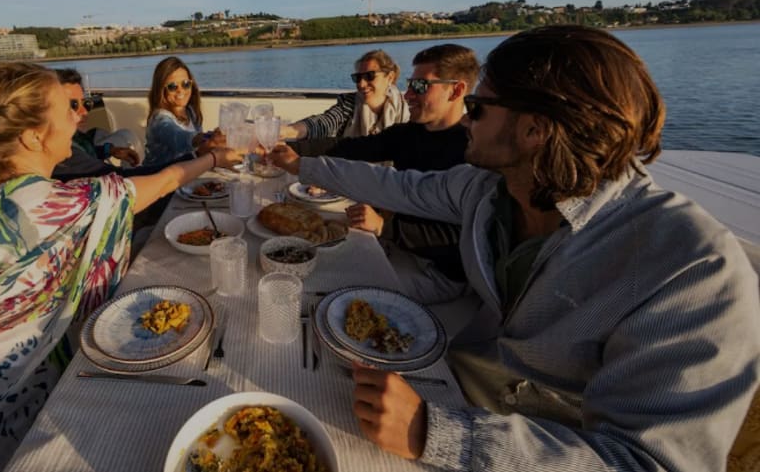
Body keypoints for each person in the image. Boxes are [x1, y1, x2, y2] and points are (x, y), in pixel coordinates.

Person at [269, 25, 760, 471]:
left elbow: (645, 462)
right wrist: (300, 166)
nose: (467, 121)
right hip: (471, 380)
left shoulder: (693, 267)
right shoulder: (491, 188)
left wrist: (435, 433)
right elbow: (402, 186)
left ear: (535, 129)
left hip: (548, 439)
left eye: (479, 109)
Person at [0, 62, 240, 472]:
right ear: (34, 135)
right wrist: (214, 157)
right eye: (66, 109)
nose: (79, 115)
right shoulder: (42, 205)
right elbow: (157, 184)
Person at [327, 44, 478, 281]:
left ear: (456, 90)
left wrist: (384, 226)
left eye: (420, 86)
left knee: (334, 278)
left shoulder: (474, 152)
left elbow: (463, 241)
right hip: (397, 244)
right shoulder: (409, 134)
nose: (407, 95)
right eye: (409, 85)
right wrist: (288, 150)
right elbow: (349, 148)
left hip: (436, 271)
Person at [280, 49, 408, 143]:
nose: (362, 84)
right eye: (357, 78)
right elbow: (325, 122)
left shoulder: (407, 110)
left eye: (370, 76)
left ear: (390, 77)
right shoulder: (350, 103)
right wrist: (287, 131)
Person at [52, 68, 157, 179]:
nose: (84, 111)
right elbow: (120, 180)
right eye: (73, 105)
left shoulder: (75, 139)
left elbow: (88, 151)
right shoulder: (67, 156)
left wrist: (110, 150)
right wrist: (172, 172)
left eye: (85, 103)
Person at [143, 56, 224, 167]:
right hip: (161, 179)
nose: (181, 90)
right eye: (172, 86)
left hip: (186, 173)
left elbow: (198, 150)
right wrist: (208, 138)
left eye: (185, 84)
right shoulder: (160, 120)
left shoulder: (191, 111)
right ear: (161, 89)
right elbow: (180, 139)